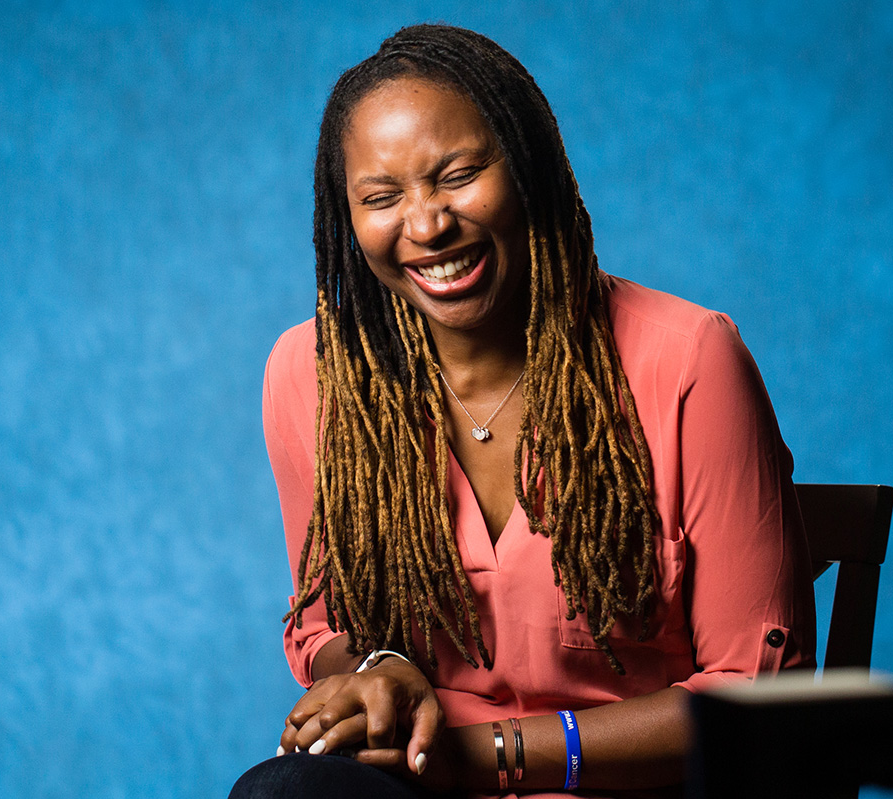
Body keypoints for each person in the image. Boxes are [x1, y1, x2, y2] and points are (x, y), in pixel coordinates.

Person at [230, 23, 816, 799]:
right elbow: (323, 626)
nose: (427, 223)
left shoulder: (689, 360)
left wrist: (491, 753)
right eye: (381, 197)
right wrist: (379, 669)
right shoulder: (312, 374)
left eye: (459, 174)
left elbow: (757, 698)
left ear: (529, 165)